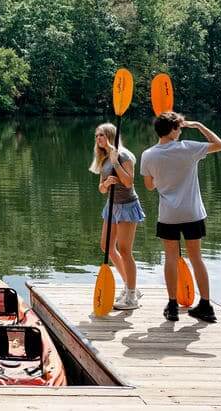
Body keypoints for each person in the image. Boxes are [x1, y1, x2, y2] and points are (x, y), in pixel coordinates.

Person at [141, 112, 221, 323]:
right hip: (192, 213)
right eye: (179, 128)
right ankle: (206, 305)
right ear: (172, 131)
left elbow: (149, 186)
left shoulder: (148, 155)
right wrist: (198, 125)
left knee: (170, 258)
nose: (180, 131)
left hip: (168, 215)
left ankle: (172, 306)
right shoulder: (188, 148)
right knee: (196, 258)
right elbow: (220, 144)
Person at [91, 123, 144, 311]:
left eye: (102, 135)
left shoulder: (123, 155)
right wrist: (106, 183)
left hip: (127, 207)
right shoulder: (103, 157)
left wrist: (115, 164)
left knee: (124, 250)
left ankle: (131, 298)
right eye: (97, 136)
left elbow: (129, 182)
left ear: (111, 136)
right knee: (106, 246)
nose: (98, 139)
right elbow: (101, 189)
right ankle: (130, 287)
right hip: (111, 206)